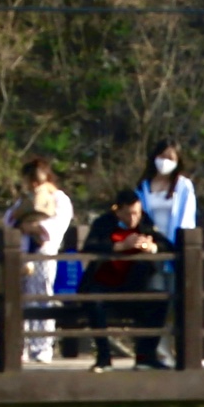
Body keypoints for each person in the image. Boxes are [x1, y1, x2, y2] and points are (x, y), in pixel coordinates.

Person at [83, 188, 169, 368]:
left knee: (159, 301)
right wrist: (119, 246)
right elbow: (90, 246)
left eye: (136, 213)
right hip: (105, 282)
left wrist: (151, 247)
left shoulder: (145, 222)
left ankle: (146, 357)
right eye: (128, 214)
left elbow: (167, 245)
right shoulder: (103, 223)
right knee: (94, 301)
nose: (133, 219)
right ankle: (104, 357)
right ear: (118, 210)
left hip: (135, 282)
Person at [9, 158, 74, 366]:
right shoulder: (24, 199)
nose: (34, 186)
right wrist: (23, 225)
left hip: (44, 252)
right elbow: (9, 220)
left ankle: (43, 346)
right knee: (21, 297)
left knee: (42, 295)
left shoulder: (60, 199)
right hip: (21, 253)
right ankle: (22, 346)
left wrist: (34, 227)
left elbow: (55, 226)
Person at [138, 141, 200, 244]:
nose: (165, 161)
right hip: (149, 244)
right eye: (162, 156)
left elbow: (187, 218)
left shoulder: (184, 186)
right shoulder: (143, 187)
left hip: (176, 244)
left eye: (170, 158)